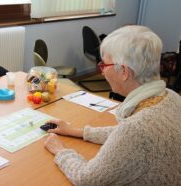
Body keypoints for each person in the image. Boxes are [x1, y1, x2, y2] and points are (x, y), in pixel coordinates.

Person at [44, 25, 181, 185]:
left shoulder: (135, 130)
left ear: (124, 72)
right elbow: (124, 135)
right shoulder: (171, 96)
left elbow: (86, 179)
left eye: (104, 65)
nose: (102, 72)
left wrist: (60, 151)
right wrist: (77, 132)